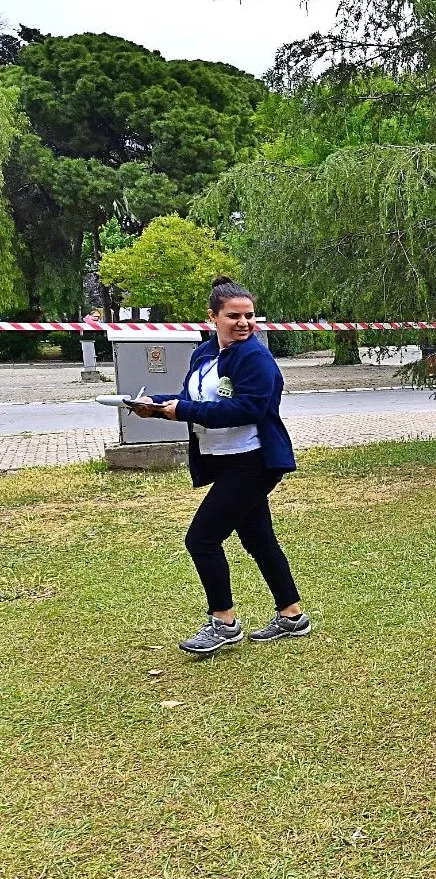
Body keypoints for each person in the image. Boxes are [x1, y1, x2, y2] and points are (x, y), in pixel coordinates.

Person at [130, 277, 311, 655]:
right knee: (258, 538)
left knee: (202, 539)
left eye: (249, 315)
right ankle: (292, 616)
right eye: (234, 316)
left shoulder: (255, 358)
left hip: (252, 461)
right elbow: (191, 397)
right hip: (223, 459)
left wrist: (182, 412)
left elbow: (248, 409)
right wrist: (157, 404)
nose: (244, 323)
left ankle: (224, 623)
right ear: (212, 317)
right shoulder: (204, 354)